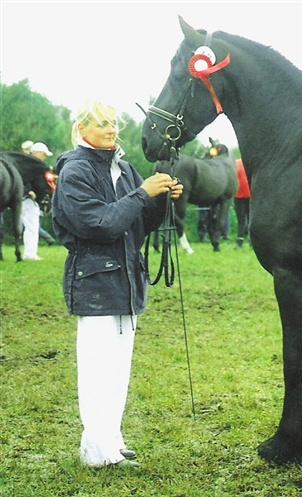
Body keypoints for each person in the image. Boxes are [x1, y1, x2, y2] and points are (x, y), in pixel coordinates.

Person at [52, 100, 183, 469]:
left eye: (113, 123)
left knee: (118, 369)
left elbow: (136, 224)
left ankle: (111, 440)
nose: (111, 129)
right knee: (97, 369)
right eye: (102, 124)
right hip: (94, 283)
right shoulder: (75, 171)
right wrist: (143, 192)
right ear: (82, 129)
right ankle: (97, 451)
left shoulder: (123, 168)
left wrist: (160, 201)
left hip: (127, 279)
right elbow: (99, 223)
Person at [20, 142, 54, 260]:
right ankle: (29, 254)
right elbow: (24, 178)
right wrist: (29, 190)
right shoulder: (30, 165)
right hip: (28, 199)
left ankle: (30, 253)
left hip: (30, 199)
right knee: (32, 226)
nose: (44, 157)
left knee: (32, 226)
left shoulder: (30, 164)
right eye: (44, 154)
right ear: (38, 153)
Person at [234, 158, 251, 248]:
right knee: (250, 220)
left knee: (241, 221)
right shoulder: (250, 161)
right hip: (250, 195)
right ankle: (251, 243)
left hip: (238, 195)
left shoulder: (236, 163)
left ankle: (239, 243)